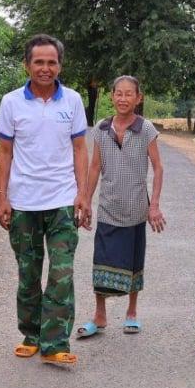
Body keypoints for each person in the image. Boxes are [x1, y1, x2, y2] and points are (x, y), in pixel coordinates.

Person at [0, 34, 88, 365]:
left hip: (62, 200)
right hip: (22, 203)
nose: (45, 68)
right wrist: (2, 197)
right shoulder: (11, 102)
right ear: (27, 65)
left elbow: (79, 149)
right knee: (28, 272)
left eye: (52, 62)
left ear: (60, 65)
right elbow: (4, 151)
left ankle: (56, 342)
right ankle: (32, 334)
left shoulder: (73, 101)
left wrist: (83, 194)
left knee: (61, 273)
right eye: (39, 62)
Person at [74, 75, 166, 339]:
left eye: (129, 94)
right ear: (111, 96)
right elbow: (94, 167)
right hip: (108, 207)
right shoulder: (101, 129)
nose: (123, 99)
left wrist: (154, 205)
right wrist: (87, 201)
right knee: (101, 260)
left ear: (139, 98)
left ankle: (132, 313)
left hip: (137, 209)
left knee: (134, 261)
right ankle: (99, 315)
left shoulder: (146, 129)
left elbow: (159, 168)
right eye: (119, 94)